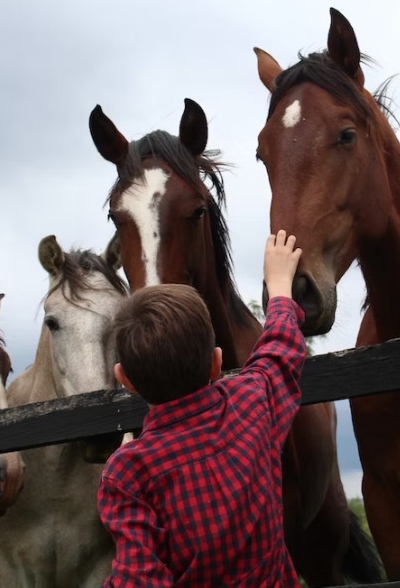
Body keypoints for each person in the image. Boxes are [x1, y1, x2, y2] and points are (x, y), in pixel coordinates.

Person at [97, 230, 307, 587]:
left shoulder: (128, 474)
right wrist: (280, 288)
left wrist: (131, 462)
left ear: (124, 380)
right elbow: (280, 349)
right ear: (216, 363)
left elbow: (138, 578)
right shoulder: (251, 403)